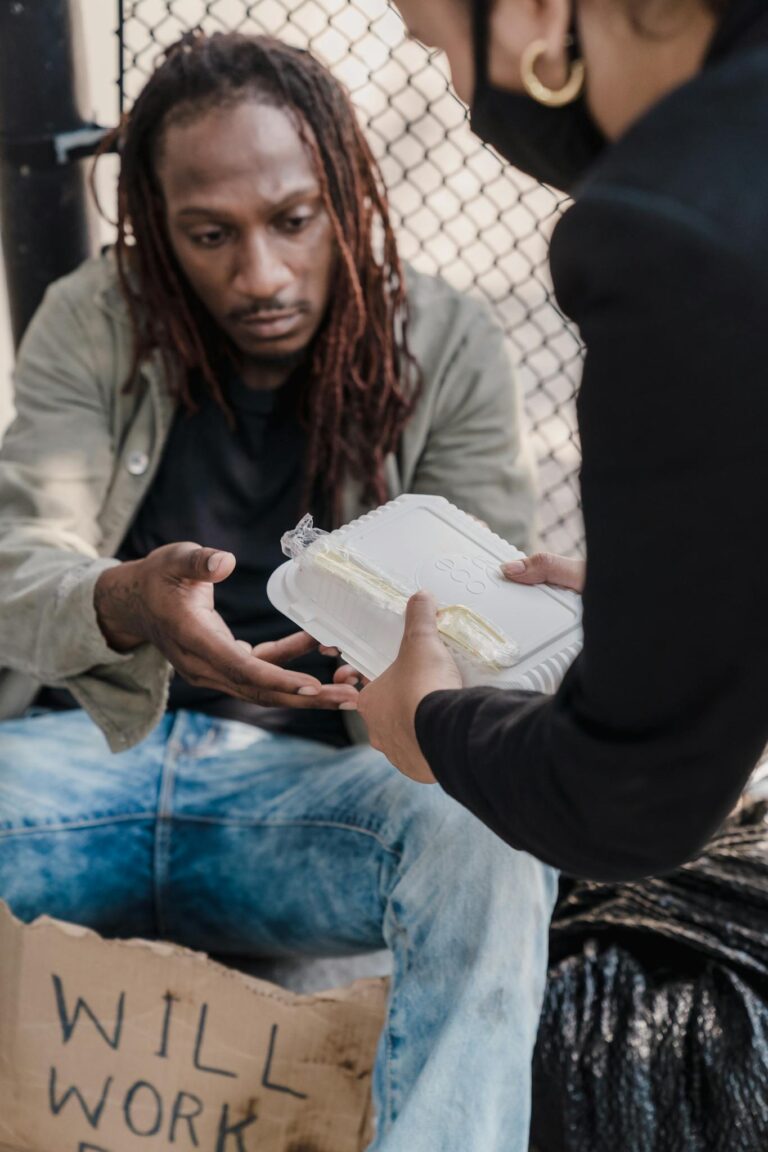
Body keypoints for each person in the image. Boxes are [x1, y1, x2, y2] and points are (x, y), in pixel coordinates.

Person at [0, 31, 554, 1152]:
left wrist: (419, 667)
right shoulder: (90, 316)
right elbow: (18, 562)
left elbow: (501, 633)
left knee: (494, 836)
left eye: (293, 221)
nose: (259, 275)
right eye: (210, 235)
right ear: (157, 223)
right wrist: (126, 599)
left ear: (346, 198)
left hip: (319, 795)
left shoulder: (444, 342)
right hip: (85, 764)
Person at [358, 0, 768, 882]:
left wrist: (430, 721)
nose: (463, 92)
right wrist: (695, 599)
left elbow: (629, 797)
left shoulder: (673, 233)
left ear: (534, 14)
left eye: (439, 51)